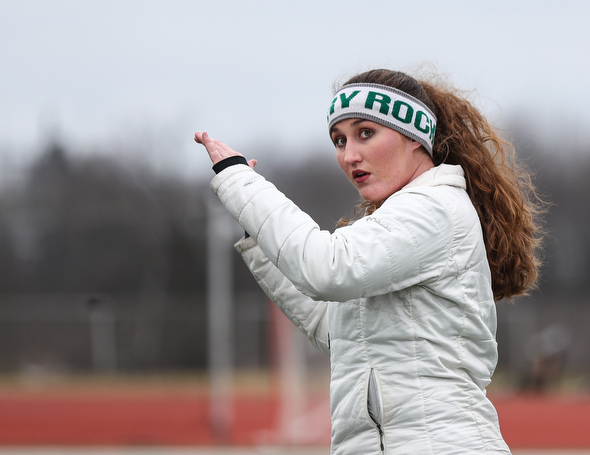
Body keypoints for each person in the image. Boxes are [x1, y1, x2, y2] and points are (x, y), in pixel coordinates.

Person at [195, 68, 543, 454]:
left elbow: (325, 268)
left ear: (415, 135)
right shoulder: (403, 218)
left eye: (365, 133)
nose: (349, 155)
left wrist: (238, 180)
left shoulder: (434, 208)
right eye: (339, 140)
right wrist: (259, 235)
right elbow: (335, 327)